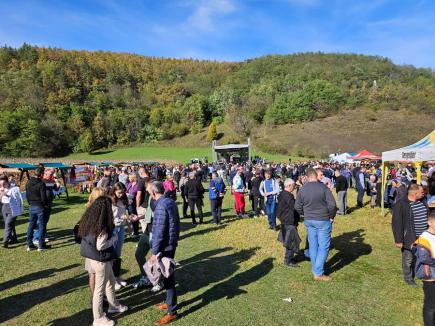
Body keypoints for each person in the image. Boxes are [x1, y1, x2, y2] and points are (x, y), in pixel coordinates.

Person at [78, 196, 128, 326]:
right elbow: (101, 245)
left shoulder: (89, 219)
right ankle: (98, 318)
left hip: (93, 258)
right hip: (100, 260)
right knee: (99, 291)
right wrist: (114, 238)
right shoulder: (103, 225)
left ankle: (113, 305)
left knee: (110, 281)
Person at [295, 168, 337, 281]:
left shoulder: (302, 189)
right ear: (316, 176)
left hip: (309, 220)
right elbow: (332, 205)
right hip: (323, 219)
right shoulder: (323, 187)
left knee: (313, 245)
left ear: (308, 177)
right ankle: (318, 273)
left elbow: (297, 206)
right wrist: (331, 216)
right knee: (323, 246)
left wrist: (305, 214)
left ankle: (316, 269)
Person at [149, 181, 180, 325]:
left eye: (150, 192)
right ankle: (169, 303)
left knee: (167, 276)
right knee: (167, 276)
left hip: (165, 246)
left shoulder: (161, 205)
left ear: (154, 193)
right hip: (170, 243)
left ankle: (172, 311)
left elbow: (159, 230)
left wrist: (155, 252)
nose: (149, 194)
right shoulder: (169, 201)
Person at [392, 183, 429, 287]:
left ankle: (419, 273)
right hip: (410, 237)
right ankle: (408, 278)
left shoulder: (422, 201)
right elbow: (397, 223)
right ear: (415, 193)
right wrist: (398, 240)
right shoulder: (401, 204)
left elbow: (427, 214)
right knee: (408, 259)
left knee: (421, 256)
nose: (424, 194)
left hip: (423, 237)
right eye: (422, 192)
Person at [83, 187, 106, 299]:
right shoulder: (98, 211)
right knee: (99, 274)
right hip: (96, 245)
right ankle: (99, 298)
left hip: (88, 245)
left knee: (92, 274)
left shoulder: (88, 208)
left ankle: (95, 297)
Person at [414, 211, 435, 325]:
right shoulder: (424, 238)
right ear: (429, 223)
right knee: (430, 304)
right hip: (430, 275)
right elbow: (424, 258)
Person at [276, 178, 300, 267]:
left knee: (289, 240)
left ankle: (290, 257)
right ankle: (288, 261)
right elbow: (295, 207)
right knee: (291, 241)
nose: (294, 187)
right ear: (289, 185)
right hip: (289, 221)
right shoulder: (288, 196)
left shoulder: (282, 194)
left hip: (284, 220)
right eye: (293, 186)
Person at [110, 183, 129, 290]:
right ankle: (112, 279)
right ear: (114, 192)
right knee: (112, 255)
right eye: (119, 192)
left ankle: (117, 276)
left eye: (122, 192)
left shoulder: (123, 200)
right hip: (113, 229)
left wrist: (127, 218)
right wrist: (122, 219)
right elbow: (112, 218)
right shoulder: (111, 202)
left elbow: (123, 214)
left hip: (121, 228)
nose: (121, 194)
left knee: (118, 254)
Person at [26, 167, 50, 251]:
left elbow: (27, 195)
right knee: (41, 225)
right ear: (41, 174)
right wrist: (46, 205)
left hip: (32, 205)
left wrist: (30, 203)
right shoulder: (41, 183)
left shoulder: (28, 182)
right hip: (39, 206)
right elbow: (43, 197)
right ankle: (41, 245)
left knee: (31, 225)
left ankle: (29, 244)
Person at [1, 176, 23, 248]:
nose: (2, 185)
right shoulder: (1, 188)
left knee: (8, 224)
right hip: (4, 207)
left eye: (3, 183)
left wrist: (6, 194)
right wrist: (1, 194)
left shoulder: (14, 188)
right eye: (0, 184)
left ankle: (5, 242)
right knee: (10, 225)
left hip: (13, 207)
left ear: (7, 182)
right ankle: (14, 239)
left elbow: (17, 198)